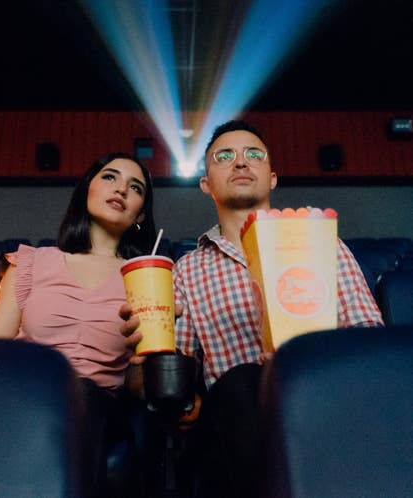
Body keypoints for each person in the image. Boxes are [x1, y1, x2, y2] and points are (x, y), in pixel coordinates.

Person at [121, 120, 384, 498]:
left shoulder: (324, 243)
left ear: (272, 177)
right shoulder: (188, 270)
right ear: (205, 183)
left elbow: (367, 339)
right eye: (224, 156)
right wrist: (143, 362)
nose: (241, 163)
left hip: (328, 403)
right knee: (244, 380)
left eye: (253, 155)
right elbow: (176, 379)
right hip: (237, 418)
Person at [0, 152, 156, 498]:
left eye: (134, 187)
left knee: (84, 394)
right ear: (86, 191)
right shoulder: (33, 263)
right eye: (109, 177)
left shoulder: (146, 280)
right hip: (27, 396)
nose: (121, 189)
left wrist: (144, 358)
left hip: (100, 409)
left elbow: (139, 388)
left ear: (140, 213)